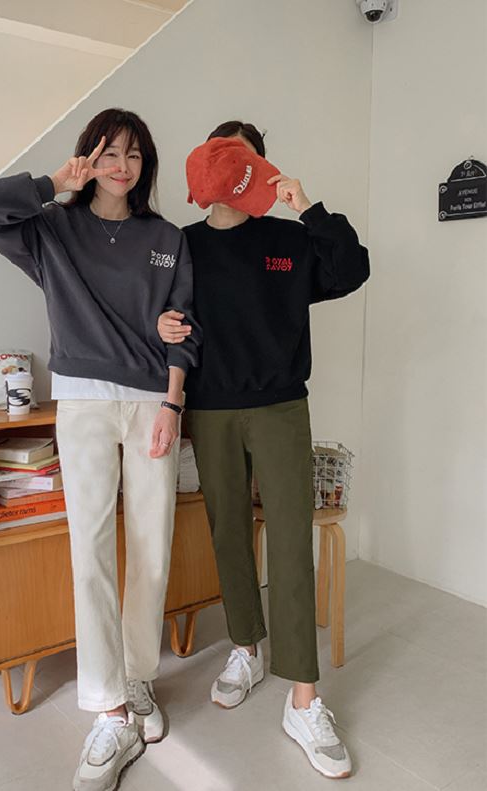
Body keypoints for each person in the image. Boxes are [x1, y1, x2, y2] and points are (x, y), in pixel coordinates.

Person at [0, 108, 200, 791]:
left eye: (133, 154)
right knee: (91, 549)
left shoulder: (166, 238)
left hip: (153, 404)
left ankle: (137, 678)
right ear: (88, 158)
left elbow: (184, 326)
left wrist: (172, 403)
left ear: (145, 164)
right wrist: (52, 182)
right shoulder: (53, 228)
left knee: (152, 545)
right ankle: (107, 707)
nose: (121, 166)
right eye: (108, 153)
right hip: (84, 403)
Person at [158, 120, 369, 780]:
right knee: (227, 532)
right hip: (210, 408)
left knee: (291, 540)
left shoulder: (288, 238)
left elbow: (353, 269)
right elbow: (153, 311)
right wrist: (160, 327)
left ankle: (303, 697)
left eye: (248, 159)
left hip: (280, 406)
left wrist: (307, 207)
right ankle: (246, 647)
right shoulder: (183, 245)